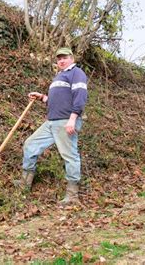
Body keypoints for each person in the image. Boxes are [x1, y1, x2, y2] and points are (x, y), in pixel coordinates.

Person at [14, 47, 88, 205]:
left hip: (65, 121)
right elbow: (56, 100)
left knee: (70, 156)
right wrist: (42, 97)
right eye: (59, 58)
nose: (61, 60)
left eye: (65, 57)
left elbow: (80, 97)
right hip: (51, 121)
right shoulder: (59, 76)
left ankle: (72, 195)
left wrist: (72, 119)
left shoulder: (77, 73)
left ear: (72, 58)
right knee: (30, 144)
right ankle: (25, 184)